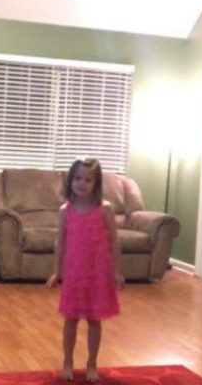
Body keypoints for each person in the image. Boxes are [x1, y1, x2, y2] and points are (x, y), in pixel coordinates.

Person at [46, 158, 125, 382]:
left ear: (96, 183)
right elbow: (60, 243)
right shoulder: (66, 211)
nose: (82, 183)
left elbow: (114, 242)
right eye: (78, 178)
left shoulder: (105, 209)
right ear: (71, 180)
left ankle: (92, 363)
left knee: (93, 320)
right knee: (70, 319)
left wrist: (116, 271)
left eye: (88, 179)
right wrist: (56, 271)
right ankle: (68, 361)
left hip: (98, 272)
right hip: (74, 272)